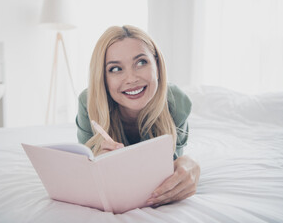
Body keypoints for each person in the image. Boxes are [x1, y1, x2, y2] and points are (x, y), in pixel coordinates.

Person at [76, 25, 200, 208]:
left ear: (157, 65)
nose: (131, 78)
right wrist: (98, 165)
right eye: (115, 69)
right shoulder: (89, 102)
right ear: (102, 77)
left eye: (141, 62)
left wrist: (190, 163)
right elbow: (86, 166)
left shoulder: (177, 102)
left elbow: (171, 171)